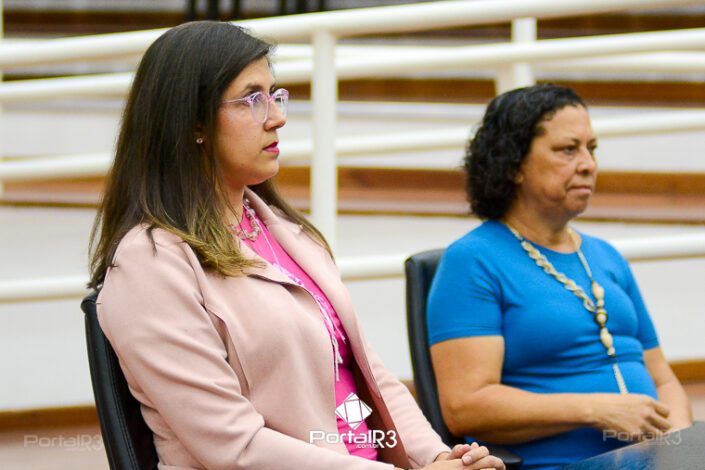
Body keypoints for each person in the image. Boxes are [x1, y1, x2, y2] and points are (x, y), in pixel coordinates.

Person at [88, 21, 504, 470]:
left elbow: (362, 380)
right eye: (252, 99)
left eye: (275, 95)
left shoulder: (289, 233)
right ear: (193, 123)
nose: (277, 117)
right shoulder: (150, 263)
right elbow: (232, 446)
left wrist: (439, 456)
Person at [426, 84, 692, 470]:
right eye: (568, 150)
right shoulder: (472, 260)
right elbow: (466, 406)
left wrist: (680, 446)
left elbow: (663, 380)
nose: (588, 164)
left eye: (591, 149)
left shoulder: (605, 255)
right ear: (514, 164)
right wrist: (595, 410)